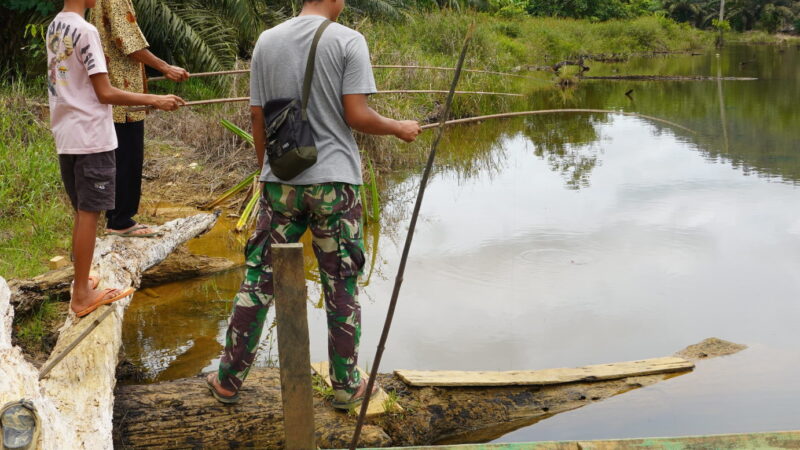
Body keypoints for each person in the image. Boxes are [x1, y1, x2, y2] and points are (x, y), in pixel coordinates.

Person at [206, 0, 422, 408]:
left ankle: (227, 381)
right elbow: (356, 115)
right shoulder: (347, 40)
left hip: (279, 181)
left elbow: (257, 116)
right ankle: (345, 386)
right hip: (333, 184)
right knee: (340, 282)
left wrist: (267, 172)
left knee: (258, 279)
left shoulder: (266, 41)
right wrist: (399, 128)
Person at [47, 0, 185, 317]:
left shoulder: (57, 25)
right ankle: (81, 294)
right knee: (90, 213)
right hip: (92, 136)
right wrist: (155, 99)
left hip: (67, 133)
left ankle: (82, 278)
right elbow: (105, 93)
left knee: (83, 213)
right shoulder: (86, 29)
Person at [89, 0, 190, 238]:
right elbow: (129, 42)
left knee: (119, 158)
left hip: (117, 91)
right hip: (123, 94)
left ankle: (116, 218)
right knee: (128, 158)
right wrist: (165, 67)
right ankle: (121, 221)